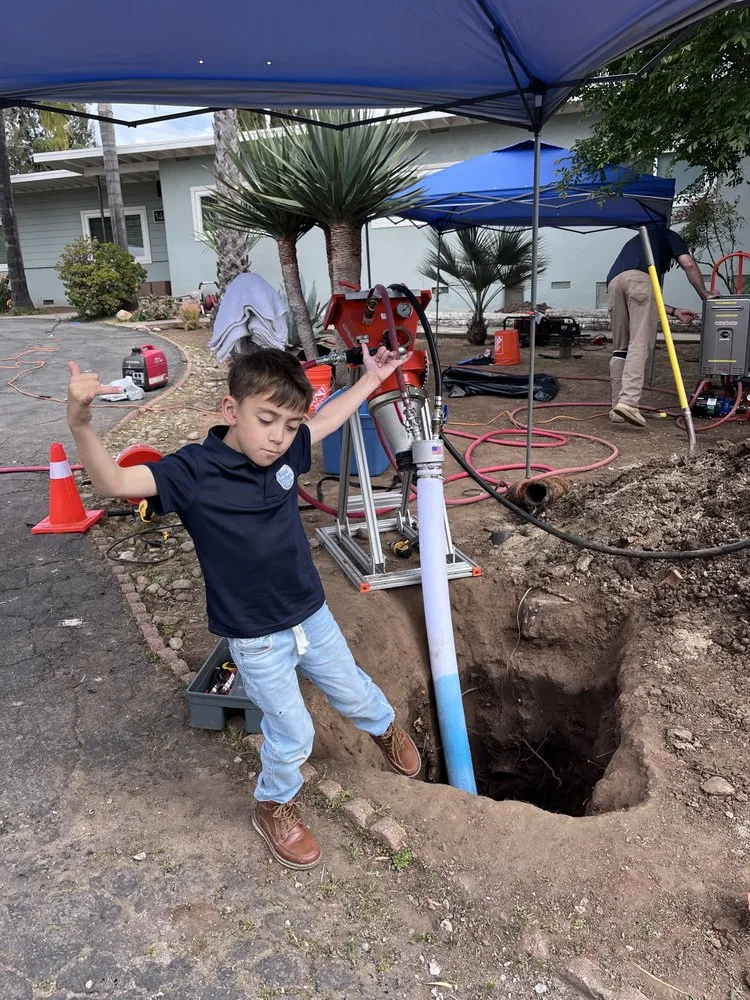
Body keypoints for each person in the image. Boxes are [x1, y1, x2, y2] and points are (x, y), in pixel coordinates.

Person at [66, 347, 422, 871]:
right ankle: (273, 804)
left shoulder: (286, 452)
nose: (279, 437)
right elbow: (114, 483)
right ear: (231, 410)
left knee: (352, 689)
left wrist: (370, 380)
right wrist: (80, 422)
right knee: (293, 732)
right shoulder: (192, 471)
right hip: (256, 636)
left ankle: (385, 729)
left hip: (310, 613)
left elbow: (325, 422)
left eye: (289, 425)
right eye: (267, 419)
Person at [606, 224, 713, 427]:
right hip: (640, 280)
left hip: (613, 283)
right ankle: (628, 403)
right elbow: (688, 263)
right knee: (639, 342)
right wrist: (705, 295)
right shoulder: (670, 235)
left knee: (620, 349)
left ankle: (617, 408)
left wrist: (674, 311)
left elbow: (643, 298)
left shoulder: (637, 241)